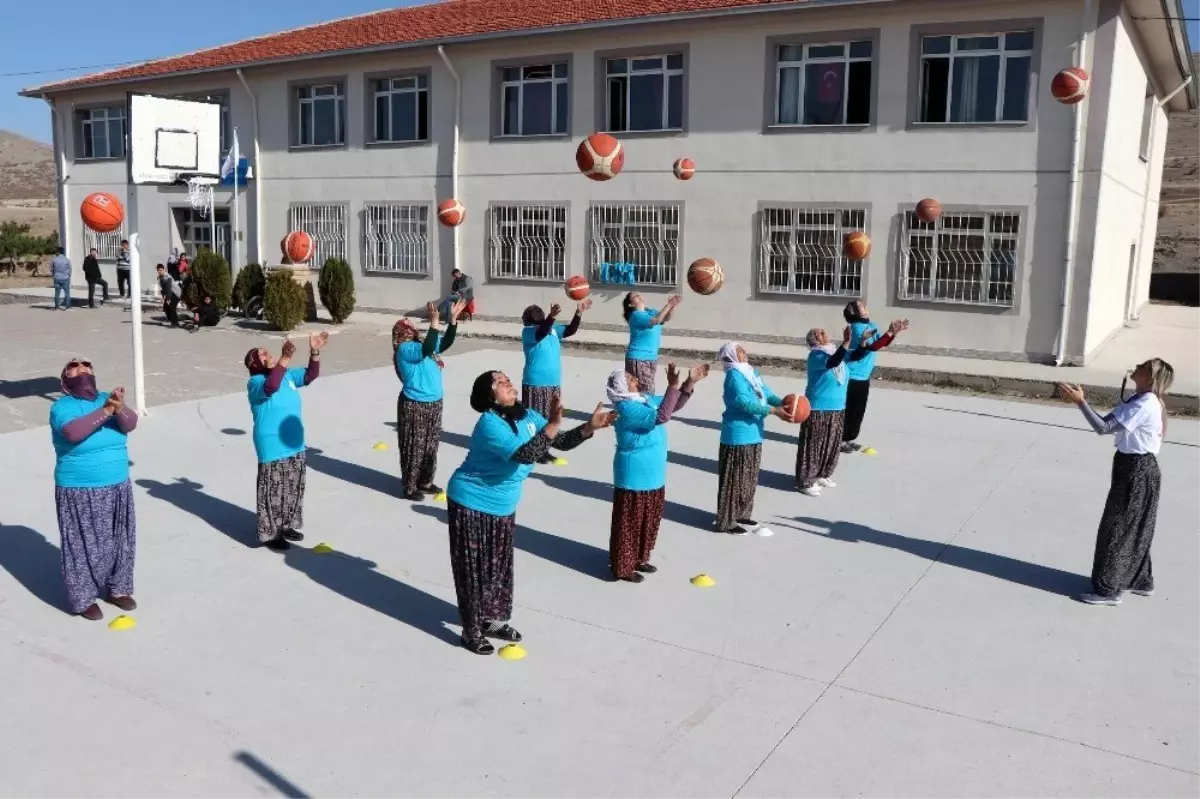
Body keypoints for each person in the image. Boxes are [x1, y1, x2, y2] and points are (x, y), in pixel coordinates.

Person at [446, 371, 612, 654]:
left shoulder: (528, 417)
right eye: (499, 383)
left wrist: (588, 428)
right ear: (490, 397)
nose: (508, 383)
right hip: (471, 501)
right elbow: (524, 454)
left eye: (507, 379)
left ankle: (490, 620)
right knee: (473, 570)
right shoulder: (489, 423)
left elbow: (557, 442)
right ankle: (471, 631)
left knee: (497, 567)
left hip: (503, 505)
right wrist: (553, 423)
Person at [1058, 358, 1175, 606]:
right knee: (1137, 526)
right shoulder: (1141, 400)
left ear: (1150, 378)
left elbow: (1103, 427)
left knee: (1117, 528)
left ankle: (1109, 590)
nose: (1137, 366)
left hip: (1136, 470)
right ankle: (1140, 580)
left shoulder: (1145, 404)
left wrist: (1080, 402)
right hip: (1137, 468)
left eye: (1143, 367)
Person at [49, 358, 139, 620]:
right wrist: (107, 412)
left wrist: (117, 407)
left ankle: (118, 589)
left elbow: (130, 423)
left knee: (120, 540)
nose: (82, 369)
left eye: (86, 366)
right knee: (83, 544)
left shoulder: (106, 398)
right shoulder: (61, 406)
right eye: (74, 367)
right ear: (64, 381)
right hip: (79, 487)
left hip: (118, 482)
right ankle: (83, 597)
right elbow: (73, 433)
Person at [607, 361, 708, 582]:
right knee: (631, 522)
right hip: (634, 475)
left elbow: (672, 406)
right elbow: (662, 417)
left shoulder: (643, 400)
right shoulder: (626, 408)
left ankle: (640, 558)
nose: (635, 379)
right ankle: (623, 566)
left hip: (653, 473)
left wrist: (689, 382)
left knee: (649, 519)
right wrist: (672, 385)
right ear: (622, 387)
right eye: (629, 378)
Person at [245, 332, 329, 551]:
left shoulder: (287, 375)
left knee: (292, 486)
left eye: (266, 351)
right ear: (255, 364)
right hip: (272, 443)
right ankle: (271, 533)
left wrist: (314, 351)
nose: (267, 354)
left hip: (294, 440)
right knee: (274, 488)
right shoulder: (255, 382)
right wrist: (284, 358)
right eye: (261, 354)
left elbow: (311, 375)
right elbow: (270, 387)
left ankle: (287, 524)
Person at [393, 299, 465, 501]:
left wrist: (452, 321)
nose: (412, 329)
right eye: (407, 327)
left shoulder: (425, 346)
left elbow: (445, 342)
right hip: (415, 403)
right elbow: (426, 349)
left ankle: (425, 481)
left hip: (434, 402)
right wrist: (434, 323)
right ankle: (409, 487)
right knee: (414, 446)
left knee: (430, 446)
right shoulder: (404, 349)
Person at [716, 342, 790, 534]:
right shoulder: (733, 376)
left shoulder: (750, 372)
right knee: (734, 479)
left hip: (754, 432)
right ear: (731, 356)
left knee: (748, 477)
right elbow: (744, 403)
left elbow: (765, 392)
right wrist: (774, 411)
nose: (744, 352)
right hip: (738, 435)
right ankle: (727, 522)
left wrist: (784, 403)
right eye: (739, 351)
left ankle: (742, 514)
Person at [520, 299, 591, 463]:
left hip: (553, 382)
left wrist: (578, 312)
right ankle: (535, 450)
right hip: (536, 383)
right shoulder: (528, 331)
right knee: (535, 419)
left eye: (539, 309)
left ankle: (544, 448)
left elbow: (571, 330)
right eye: (534, 311)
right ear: (528, 317)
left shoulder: (552, 330)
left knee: (551, 418)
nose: (538, 311)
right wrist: (551, 316)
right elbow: (541, 332)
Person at [842, 302, 909, 453]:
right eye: (861, 306)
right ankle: (840, 439)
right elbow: (872, 347)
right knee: (849, 410)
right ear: (856, 313)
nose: (865, 306)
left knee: (859, 410)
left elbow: (882, 343)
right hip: (852, 375)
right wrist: (890, 332)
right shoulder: (857, 328)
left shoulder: (871, 325)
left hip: (863, 376)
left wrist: (894, 332)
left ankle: (849, 438)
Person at [797, 326, 852, 497]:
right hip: (818, 406)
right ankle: (805, 481)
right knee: (814, 445)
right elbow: (832, 363)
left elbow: (853, 357)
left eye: (824, 331)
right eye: (819, 333)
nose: (825, 333)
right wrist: (846, 342)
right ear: (814, 340)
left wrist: (864, 342)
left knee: (831, 444)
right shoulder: (817, 355)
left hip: (837, 406)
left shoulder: (835, 353)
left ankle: (822, 474)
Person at [622, 292, 681, 395]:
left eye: (639, 294)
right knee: (647, 392)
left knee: (641, 392)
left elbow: (665, 318)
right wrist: (668, 305)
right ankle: (639, 410)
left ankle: (633, 409)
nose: (639, 296)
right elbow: (656, 321)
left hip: (650, 357)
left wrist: (672, 306)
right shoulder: (636, 315)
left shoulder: (650, 312)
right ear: (631, 304)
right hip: (639, 358)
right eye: (635, 296)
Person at [156, 263, 182, 328]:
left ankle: (175, 323)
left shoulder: (167, 277)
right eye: (158, 270)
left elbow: (168, 288)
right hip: (170, 293)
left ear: (164, 269)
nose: (160, 271)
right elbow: (163, 289)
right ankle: (172, 321)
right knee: (166, 306)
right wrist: (164, 296)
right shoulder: (160, 277)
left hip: (176, 293)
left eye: (161, 270)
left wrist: (168, 299)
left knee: (172, 307)